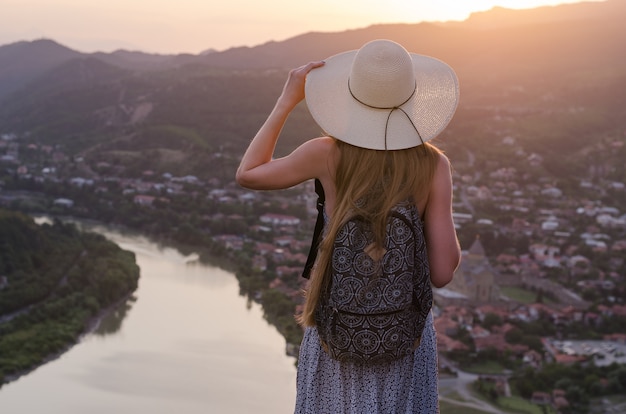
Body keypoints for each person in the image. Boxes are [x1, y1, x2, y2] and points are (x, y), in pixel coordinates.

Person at [236, 39, 461, 414]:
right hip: (402, 338)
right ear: (411, 99)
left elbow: (249, 174)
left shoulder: (326, 153)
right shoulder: (433, 166)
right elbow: (442, 272)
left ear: (351, 96)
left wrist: (287, 100)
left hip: (335, 330)